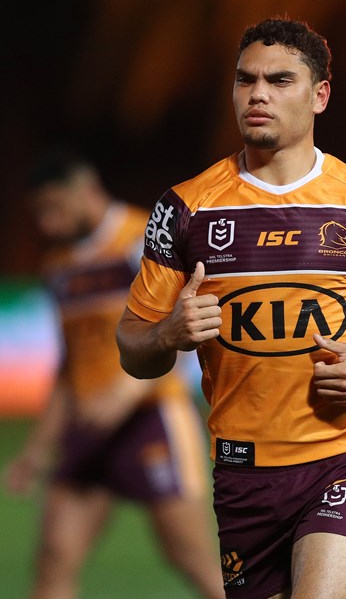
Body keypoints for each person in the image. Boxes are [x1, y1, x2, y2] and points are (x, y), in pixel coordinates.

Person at [116, 18, 346, 599]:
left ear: (319, 95)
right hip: (242, 473)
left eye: (279, 80)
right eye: (245, 80)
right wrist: (168, 334)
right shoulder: (186, 209)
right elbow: (132, 347)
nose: (258, 94)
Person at [3, 150, 224, 599]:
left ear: (87, 191)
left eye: (55, 208)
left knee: (192, 559)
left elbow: (184, 333)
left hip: (151, 420)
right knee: (54, 557)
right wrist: (38, 448)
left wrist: (124, 394)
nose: (47, 224)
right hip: (89, 426)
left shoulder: (143, 241)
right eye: (39, 213)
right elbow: (70, 365)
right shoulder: (59, 267)